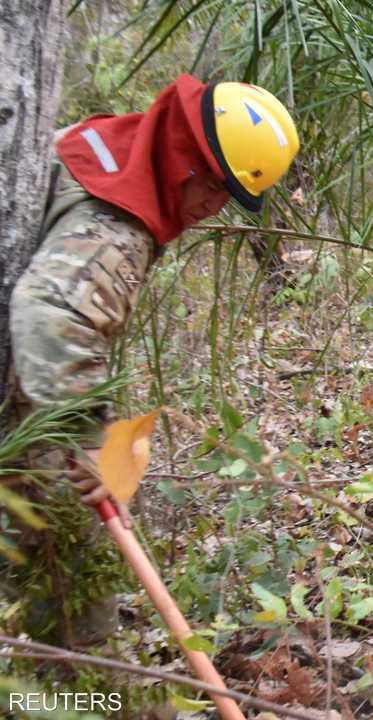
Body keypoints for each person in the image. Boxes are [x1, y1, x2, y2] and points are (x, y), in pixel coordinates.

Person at [2, 75, 300, 644]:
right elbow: (50, 317)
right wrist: (91, 446)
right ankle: (83, 692)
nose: (213, 208)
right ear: (182, 156)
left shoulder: (103, 148)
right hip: (35, 421)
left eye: (228, 196)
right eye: (213, 185)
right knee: (71, 591)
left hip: (26, 397)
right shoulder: (116, 228)